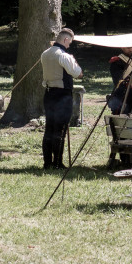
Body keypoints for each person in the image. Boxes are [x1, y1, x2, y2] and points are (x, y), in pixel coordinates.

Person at [40, 28, 82, 169]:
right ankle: (57, 163)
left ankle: (47, 162)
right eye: (69, 42)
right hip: (62, 95)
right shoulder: (63, 55)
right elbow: (77, 73)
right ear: (65, 40)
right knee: (60, 129)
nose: (69, 45)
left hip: (49, 94)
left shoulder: (45, 54)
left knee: (49, 129)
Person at [108, 47, 132, 168]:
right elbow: (119, 82)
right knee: (124, 132)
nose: (129, 48)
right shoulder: (117, 62)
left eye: (131, 46)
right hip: (123, 101)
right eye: (127, 46)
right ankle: (126, 160)